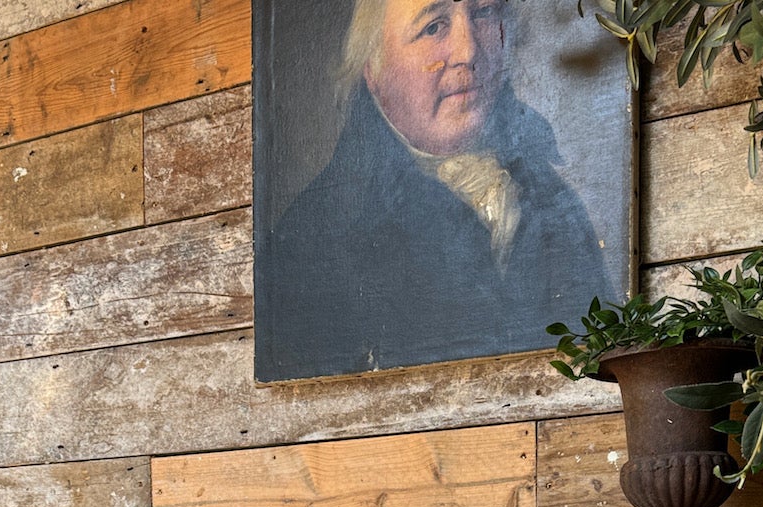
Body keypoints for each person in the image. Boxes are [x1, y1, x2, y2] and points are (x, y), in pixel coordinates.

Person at [256, 0, 611, 380]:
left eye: (484, 12)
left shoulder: (550, 197)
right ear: (373, 70)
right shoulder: (314, 237)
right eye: (433, 27)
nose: (469, 51)